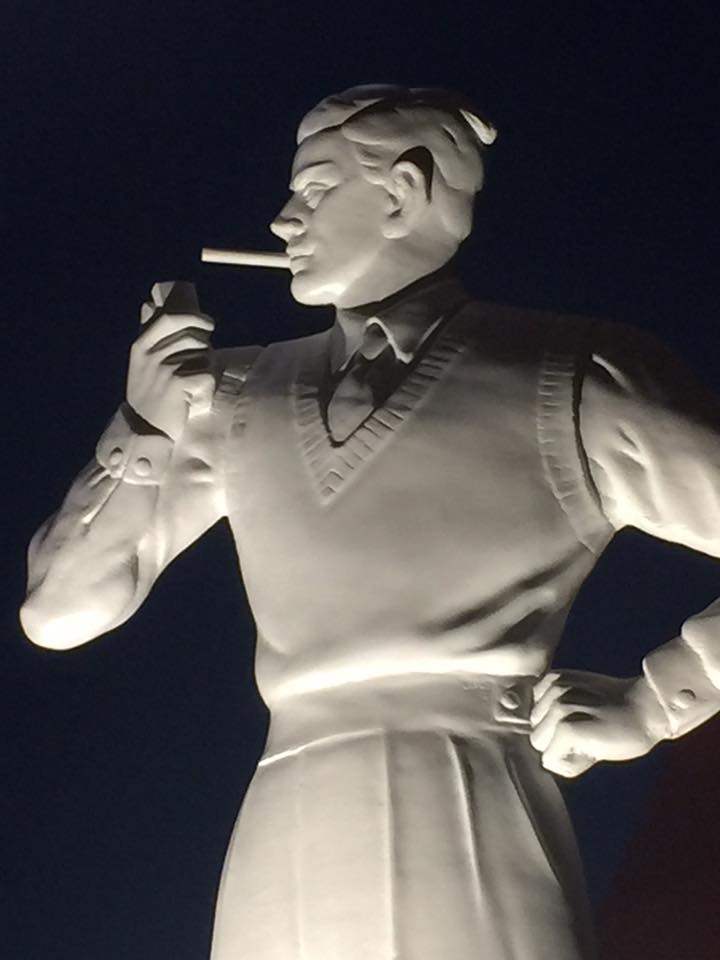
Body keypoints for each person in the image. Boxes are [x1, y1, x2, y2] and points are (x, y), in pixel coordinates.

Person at [20, 85, 720, 960]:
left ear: (402, 191)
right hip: (286, 814)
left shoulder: (569, 372)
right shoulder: (233, 396)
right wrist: (146, 426)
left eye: (313, 190)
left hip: (471, 803)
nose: (284, 221)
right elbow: (60, 613)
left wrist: (660, 698)